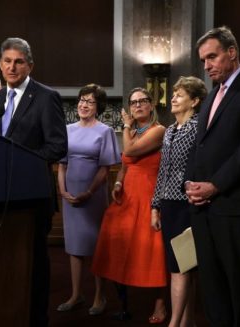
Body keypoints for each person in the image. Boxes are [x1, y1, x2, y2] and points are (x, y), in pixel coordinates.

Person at [185, 27, 240, 326]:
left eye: (212, 56)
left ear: (232, 52)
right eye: (203, 60)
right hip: (204, 208)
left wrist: (214, 186)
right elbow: (202, 147)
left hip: (236, 204)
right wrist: (193, 186)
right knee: (212, 288)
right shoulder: (212, 96)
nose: (207, 65)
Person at [0, 37, 67, 327]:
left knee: (32, 262)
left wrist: (21, 161)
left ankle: (36, 319)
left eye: (18, 61)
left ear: (29, 65)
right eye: (7, 61)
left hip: (32, 196)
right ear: (0, 64)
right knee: (3, 260)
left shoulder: (46, 97)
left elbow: (57, 147)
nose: (12, 66)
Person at [92, 87, 167, 323]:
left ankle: (160, 305)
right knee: (118, 243)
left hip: (148, 194)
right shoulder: (134, 131)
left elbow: (130, 151)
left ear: (151, 104)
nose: (137, 106)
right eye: (133, 102)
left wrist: (125, 126)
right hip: (127, 195)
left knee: (153, 250)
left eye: (143, 101)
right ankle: (121, 301)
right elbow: (126, 164)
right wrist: (117, 183)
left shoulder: (159, 130)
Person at [56, 84, 121, 316]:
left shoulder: (105, 131)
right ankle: (76, 295)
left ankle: (99, 295)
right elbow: (62, 164)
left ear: (98, 107)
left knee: (95, 247)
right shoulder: (67, 129)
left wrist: (89, 193)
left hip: (92, 198)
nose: (84, 105)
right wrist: (62, 190)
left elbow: (105, 169)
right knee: (74, 247)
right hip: (70, 195)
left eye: (90, 101)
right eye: (82, 100)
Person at [151, 76, 206, 327]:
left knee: (182, 266)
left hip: (189, 205)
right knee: (182, 266)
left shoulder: (199, 128)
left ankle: (175, 323)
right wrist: (155, 205)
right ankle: (186, 322)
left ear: (194, 101)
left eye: (180, 94)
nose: (173, 98)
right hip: (169, 204)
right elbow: (162, 171)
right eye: (173, 94)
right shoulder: (170, 130)